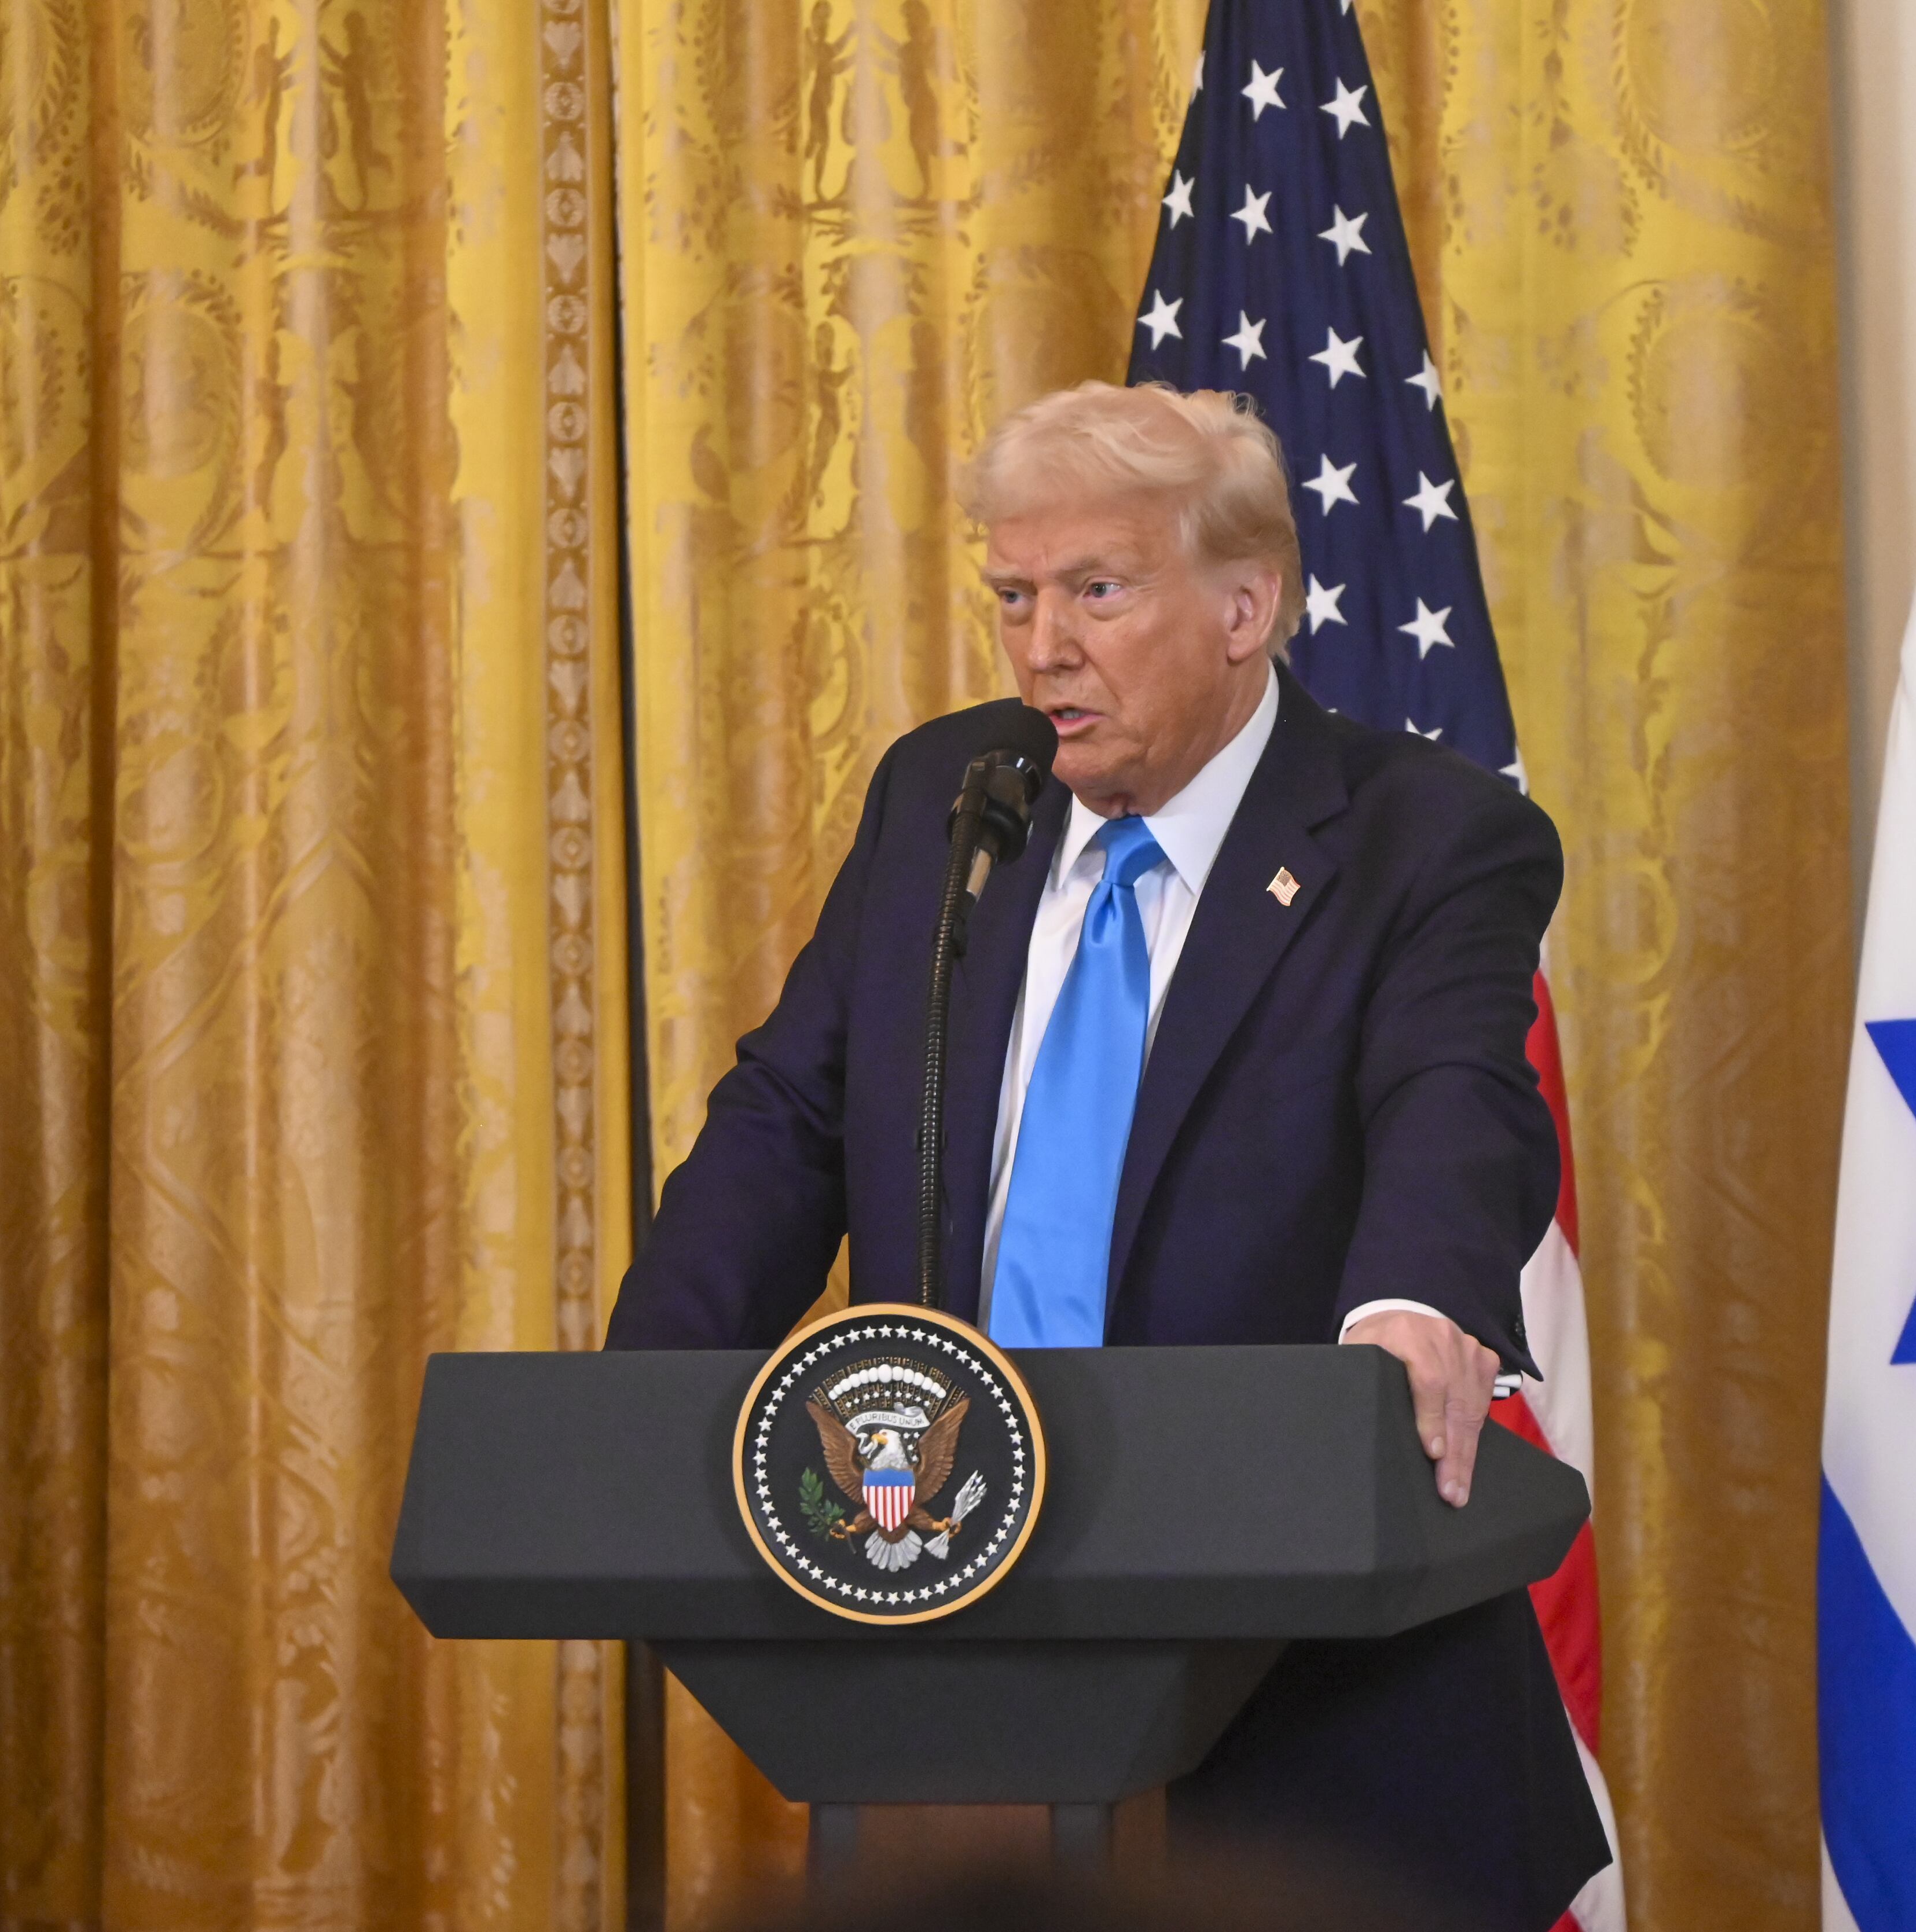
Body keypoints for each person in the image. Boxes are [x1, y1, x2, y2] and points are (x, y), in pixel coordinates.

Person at [608, 381, 1607, 1927]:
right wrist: (639, 1406)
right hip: (954, 1667)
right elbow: (791, 1117)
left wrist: (1415, 1295)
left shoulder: (1424, 835)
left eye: (1096, 590)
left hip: (1322, 1724)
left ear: (1243, 604)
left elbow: (1453, 1097)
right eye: (1013, 595)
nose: (1040, 647)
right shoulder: (952, 799)